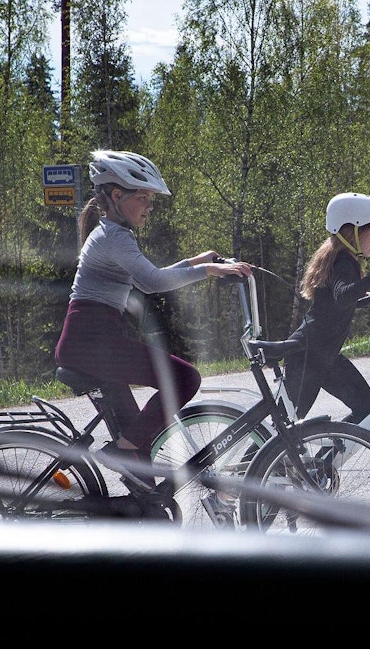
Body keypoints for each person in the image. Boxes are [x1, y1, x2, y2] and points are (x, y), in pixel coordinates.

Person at [54, 149, 252, 478]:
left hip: (93, 341)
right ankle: (123, 452)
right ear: (117, 196)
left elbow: (147, 279)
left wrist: (194, 262)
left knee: (138, 453)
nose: (150, 205)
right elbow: (152, 281)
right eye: (144, 197)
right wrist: (208, 270)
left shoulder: (113, 236)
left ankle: (137, 506)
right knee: (185, 378)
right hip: (92, 342)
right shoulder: (113, 238)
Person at [282, 192, 370, 423]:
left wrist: (369, 299)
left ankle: (325, 460)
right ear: (354, 231)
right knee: (285, 431)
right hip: (307, 355)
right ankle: (251, 462)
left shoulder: (342, 259)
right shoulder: (343, 261)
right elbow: (343, 295)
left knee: (368, 409)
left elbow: (337, 304)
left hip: (323, 355)